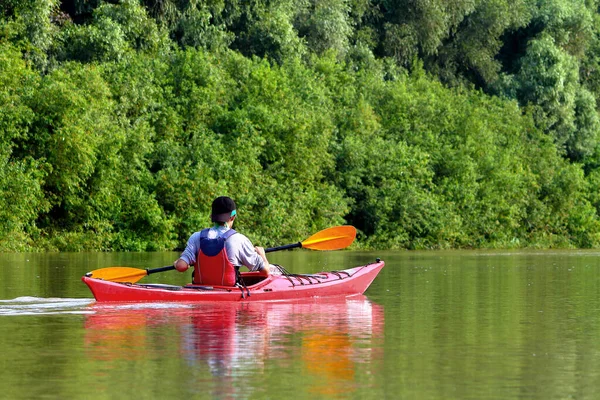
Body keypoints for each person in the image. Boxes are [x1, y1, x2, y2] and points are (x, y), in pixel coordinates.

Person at [174, 196, 270, 286]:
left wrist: (176, 263)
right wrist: (262, 255)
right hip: (227, 293)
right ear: (233, 217)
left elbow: (181, 266)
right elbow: (265, 271)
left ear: (212, 216)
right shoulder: (239, 239)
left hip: (200, 289)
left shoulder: (196, 237)